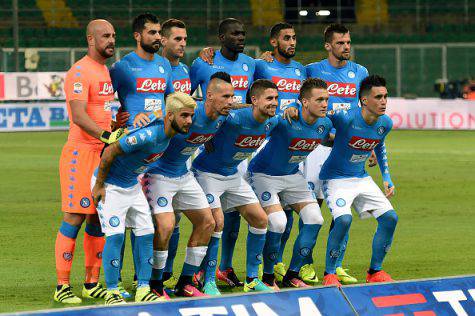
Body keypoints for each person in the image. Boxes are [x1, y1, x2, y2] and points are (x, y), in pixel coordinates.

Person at [91, 92, 196, 304]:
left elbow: (161, 112)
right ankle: (112, 292)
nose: (189, 121)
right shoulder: (148, 135)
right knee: (115, 236)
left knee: (147, 232)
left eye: (191, 116)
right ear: (171, 116)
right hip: (110, 186)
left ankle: (143, 288)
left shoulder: (167, 128)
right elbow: (110, 151)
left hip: (131, 185)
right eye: (184, 116)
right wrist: (99, 185)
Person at [144, 72, 233, 298]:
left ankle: (185, 282)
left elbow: (245, 107)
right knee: (165, 227)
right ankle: (155, 285)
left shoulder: (224, 115)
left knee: (208, 222)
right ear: (209, 97)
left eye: (232, 97)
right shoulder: (190, 113)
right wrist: (141, 118)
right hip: (158, 175)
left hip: (183, 175)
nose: (230, 102)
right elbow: (160, 117)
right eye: (226, 97)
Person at [53, 19, 119, 304]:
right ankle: (62, 285)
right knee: (75, 217)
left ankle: (91, 283)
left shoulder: (104, 70)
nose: (111, 40)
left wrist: (116, 123)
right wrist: (108, 134)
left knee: (97, 219)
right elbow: (79, 116)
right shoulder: (79, 71)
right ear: (90, 39)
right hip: (81, 154)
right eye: (105, 36)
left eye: (114, 36)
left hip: (101, 153)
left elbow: (99, 112)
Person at [192, 79, 278, 293]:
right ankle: (209, 279)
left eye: (276, 99)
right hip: (207, 174)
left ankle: (251, 279)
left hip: (232, 175)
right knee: (217, 222)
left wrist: (292, 112)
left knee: (260, 219)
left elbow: (292, 119)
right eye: (269, 99)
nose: (274, 103)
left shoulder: (273, 121)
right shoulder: (233, 118)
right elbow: (209, 115)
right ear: (255, 100)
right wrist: (207, 140)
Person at [190, 18, 256, 287]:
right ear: (221, 37)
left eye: (243, 33)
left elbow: (257, 98)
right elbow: (185, 96)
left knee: (233, 213)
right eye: (234, 34)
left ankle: (224, 267)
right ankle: (198, 270)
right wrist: (207, 129)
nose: (240, 37)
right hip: (210, 144)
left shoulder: (252, 64)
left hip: (238, 147)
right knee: (207, 214)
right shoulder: (202, 63)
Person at [248, 78, 331, 289]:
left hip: (293, 176)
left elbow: (330, 138)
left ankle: (293, 274)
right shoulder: (285, 120)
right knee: (277, 222)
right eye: (319, 99)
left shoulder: (325, 124)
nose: (325, 104)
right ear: (304, 102)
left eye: (326, 99)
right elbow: (255, 123)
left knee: (315, 219)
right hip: (263, 175)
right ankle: (267, 277)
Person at [303, 23, 370, 284]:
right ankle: (306, 263)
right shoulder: (312, 71)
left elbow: (365, 112)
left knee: (342, 211)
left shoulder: (360, 72)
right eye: (341, 43)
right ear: (328, 45)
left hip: (346, 148)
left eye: (348, 43)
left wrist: (369, 145)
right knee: (313, 208)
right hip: (317, 147)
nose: (346, 48)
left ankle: (336, 263)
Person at [318, 75, 397, 286]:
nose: (383, 101)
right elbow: (320, 116)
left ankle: (375, 271)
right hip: (335, 179)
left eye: (385, 96)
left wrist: (386, 178)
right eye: (378, 97)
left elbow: (379, 145)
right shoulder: (346, 118)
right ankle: (330, 274)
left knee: (390, 218)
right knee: (343, 220)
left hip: (361, 177)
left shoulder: (385, 123)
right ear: (364, 100)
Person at [252, 21, 308, 283]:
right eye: (286, 38)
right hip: (264, 140)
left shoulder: (300, 70)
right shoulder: (261, 65)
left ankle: (276, 262)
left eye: (294, 37)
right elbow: (245, 90)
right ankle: (235, 266)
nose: (292, 42)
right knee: (246, 213)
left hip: (291, 143)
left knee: (286, 210)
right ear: (273, 42)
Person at [158, 18, 191, 291]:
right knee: (151, 218)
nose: (182, 43)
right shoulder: (154, 71)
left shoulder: (187, 71)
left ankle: (166, 274)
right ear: (163, 41)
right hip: (154, 154)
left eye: (184, 39)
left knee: (176, 215)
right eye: (177, 39)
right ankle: (141, 276)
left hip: (180, 154)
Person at [110, 13, 174, 128]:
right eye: (152, 32)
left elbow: (171, 99)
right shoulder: (122, 67)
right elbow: (100, 101)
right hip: (134, 135)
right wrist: (112, 123)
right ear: (137, 36)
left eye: (159, 32)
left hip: (161, 135)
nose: (158, 37)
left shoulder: (165, 64)